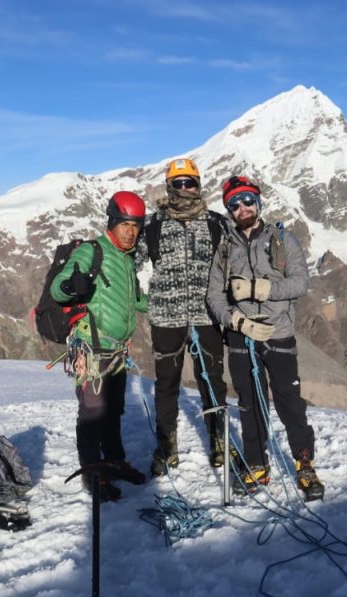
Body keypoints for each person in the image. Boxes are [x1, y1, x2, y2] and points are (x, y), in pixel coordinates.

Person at [205, 175, 324, 501]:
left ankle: (304, 462)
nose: (242, 207)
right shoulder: (225, 248)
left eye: (247, 200)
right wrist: (235, 320)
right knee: (249, 404)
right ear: (229, 210)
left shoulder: (283, 239)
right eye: (234, 204)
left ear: (257, 203)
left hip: (278, 334)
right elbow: (214, 296)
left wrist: (262, 289)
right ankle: (257, 463)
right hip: (241, 338)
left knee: (289, 401)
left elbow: (300, 282)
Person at [140, 158, 236, 477]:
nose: (183, 189)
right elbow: (131, 264)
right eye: (178, 183)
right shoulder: (151, 225)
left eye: (189, 183)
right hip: (166, 319)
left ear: (198, 185)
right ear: (169, 185)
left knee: (212, 382)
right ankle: (167, 446)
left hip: (207, 316)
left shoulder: (217, 223)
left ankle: (219, 439)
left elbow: (233, 268)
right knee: (166, 384)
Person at [51, 190, 149, 502]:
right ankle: (94, 474)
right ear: (112, 222)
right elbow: (58, 289)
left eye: (136, 226)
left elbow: (134, 301)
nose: (131, 232)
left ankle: (114, 461)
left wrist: (164, 305)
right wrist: (70, 286)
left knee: (112, 411)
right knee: (93, 412)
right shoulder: (91, 252)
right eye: (125, 225)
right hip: (91, 348)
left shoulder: (125, 257)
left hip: (117, 351)